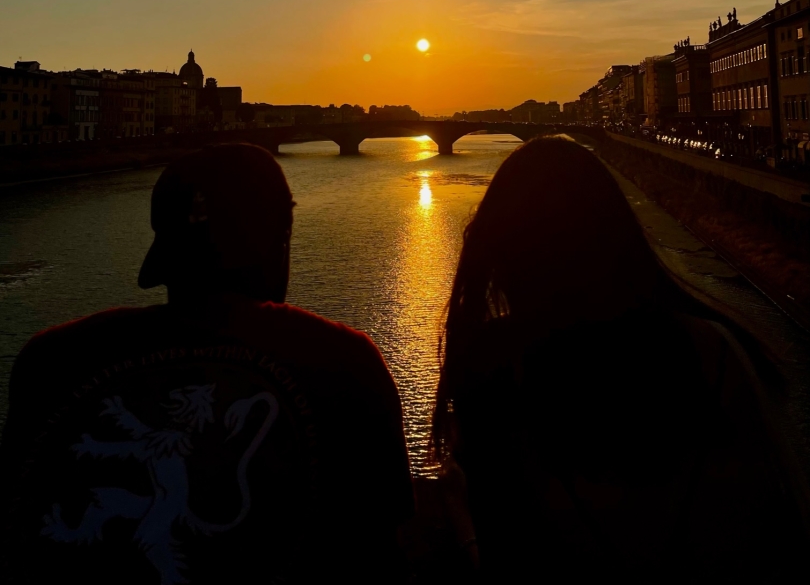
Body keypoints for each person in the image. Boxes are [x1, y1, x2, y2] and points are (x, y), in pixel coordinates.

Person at [1, 143, 413, 583]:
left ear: (163, 254)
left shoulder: (51, 360)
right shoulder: (344, 363)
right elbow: (384, 547)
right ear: (281, 242)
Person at [432, 136, 808, 581]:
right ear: (620, 233)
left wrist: (461, 520)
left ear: (504, 254)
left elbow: (507, 566)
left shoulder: (494, 371)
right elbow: (774, 528)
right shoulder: (716, 351)